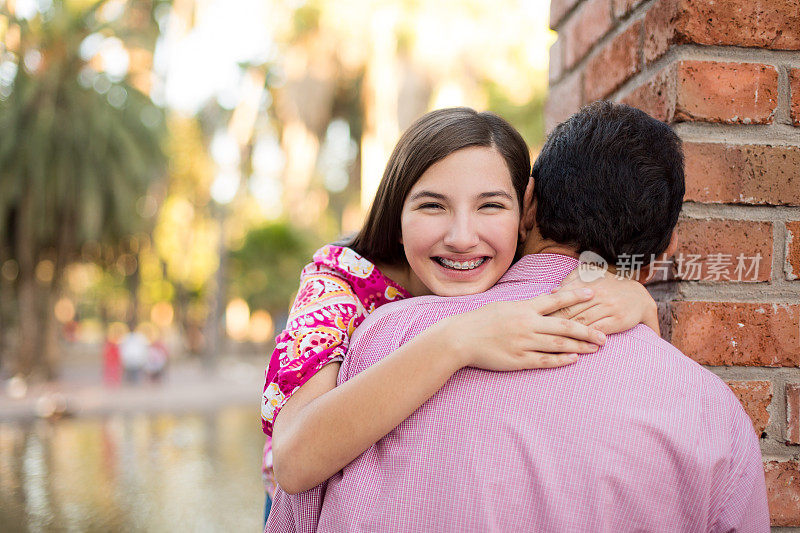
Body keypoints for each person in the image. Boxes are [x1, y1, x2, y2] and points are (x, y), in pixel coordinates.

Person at [266, 102, 769, 532]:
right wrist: (456, 340)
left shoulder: (388, 334)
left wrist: (638, 304)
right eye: (432, 206)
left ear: (526, 206)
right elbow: (294, 465)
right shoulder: (343, 294)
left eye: (490, 206)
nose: (462, 237)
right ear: (395, 216)